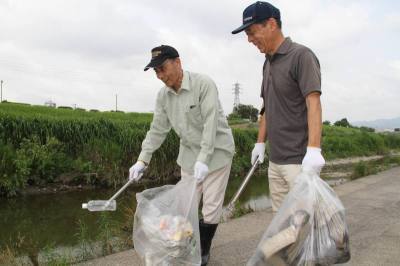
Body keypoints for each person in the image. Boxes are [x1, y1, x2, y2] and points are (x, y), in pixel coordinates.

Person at [128, 45, 235, 265]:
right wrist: (142, 159)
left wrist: (204, 160)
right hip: (188, 156)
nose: (160, 76)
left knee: (211, 207)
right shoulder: (163, 96)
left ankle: (203, 252)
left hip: (217, 153)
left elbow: (210, 124)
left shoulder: (203, 84)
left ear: (178, 62)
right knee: (186, 206)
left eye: (162, 68)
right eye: (156, 72)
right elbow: (157, 129)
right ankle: (187, 246)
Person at [232, 1, 325, 213]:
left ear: (271, 24)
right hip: (275, 162)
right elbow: (266, 107)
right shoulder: (268, 63)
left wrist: (313, 150)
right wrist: (260, 143)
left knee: (304, 224)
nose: (249, 40)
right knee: (281, 223)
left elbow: (314, 102)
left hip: (298, 162)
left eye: (252, 32)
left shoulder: (301, 56)